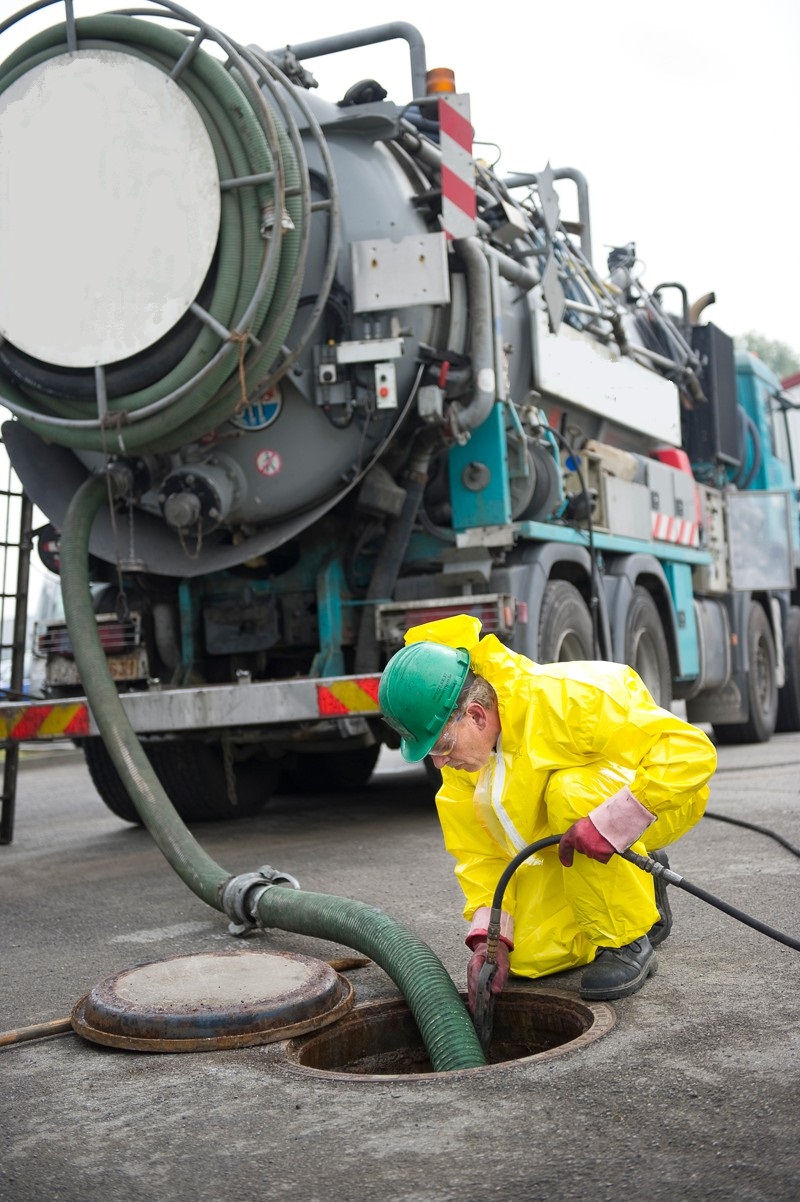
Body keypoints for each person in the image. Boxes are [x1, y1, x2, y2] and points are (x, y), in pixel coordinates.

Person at [378, 613, 717, 1008]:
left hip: (658, 801)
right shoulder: (464, 764)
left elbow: (690, 752)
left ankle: (627, 941)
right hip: (578, 827)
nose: (438, 763)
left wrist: (611, 823)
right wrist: (492, 938)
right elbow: (479, 854)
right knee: (533, 958)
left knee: (569, 792)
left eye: (441, 746)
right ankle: (637, 875)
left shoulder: (566, 699)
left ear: (475, 714)